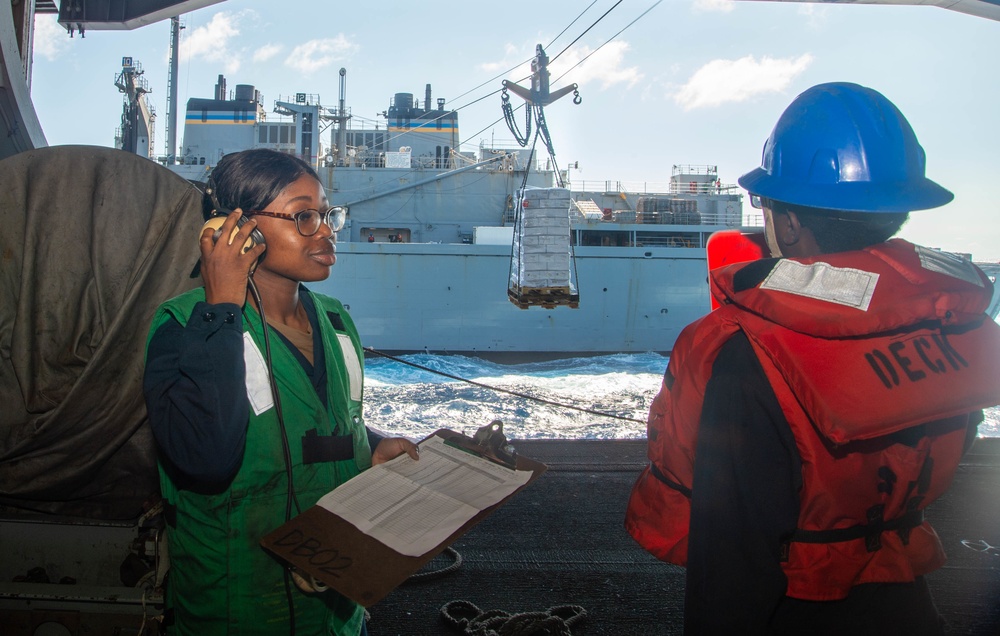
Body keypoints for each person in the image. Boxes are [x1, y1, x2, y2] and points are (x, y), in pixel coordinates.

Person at [625, 82, 1000, 635]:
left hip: (793, 609)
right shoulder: (954, 324)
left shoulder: (750, 352)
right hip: (905, 605)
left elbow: (736, 557)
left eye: (765, 202)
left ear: (791, 222)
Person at [144, 148, 419, 635]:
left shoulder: (335, 320)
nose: (327, 231)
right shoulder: (184, 327)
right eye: (304, 217)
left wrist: (372, 447)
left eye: (327, 214)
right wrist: (223, 307)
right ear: (238, 229)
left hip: (335, 610)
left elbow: (314, 417)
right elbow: (205, 456)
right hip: (238, 611)